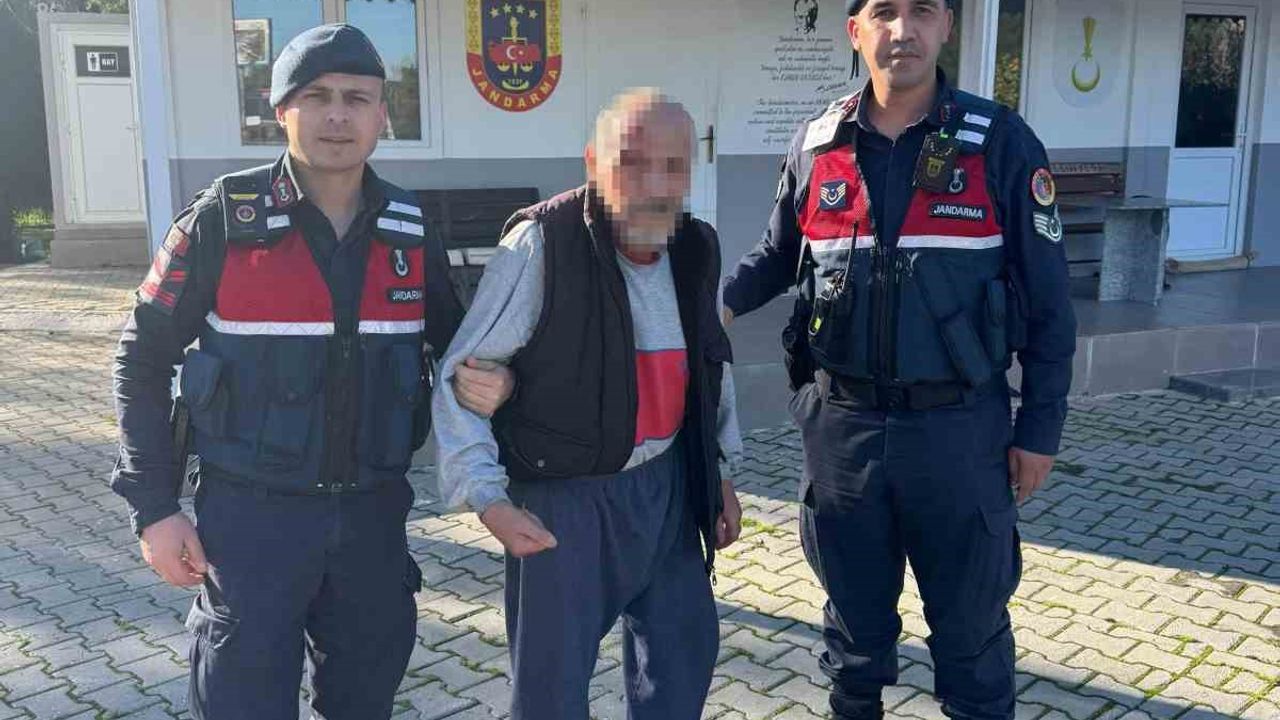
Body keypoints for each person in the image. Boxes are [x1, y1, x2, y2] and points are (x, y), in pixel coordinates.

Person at [111, 24, 512, 720]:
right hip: (250, 522)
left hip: (373, 520)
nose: (337, 116)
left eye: (357, 99)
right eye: (317, 97)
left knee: (364, 700)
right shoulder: (221, 220)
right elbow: (141, 360)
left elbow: (459, 352)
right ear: (280, 111)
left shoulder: (410, 228)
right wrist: (156, 509)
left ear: (382, 115)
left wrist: (497, 383)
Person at [720, 1, 1077, 718]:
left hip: (959, 432)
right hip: (842, 432)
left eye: (922, 11)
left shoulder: (1000, 142)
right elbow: (777, 254)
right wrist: (712, 310)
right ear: (856, 31)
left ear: (947, 27)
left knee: (972, 642)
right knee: (852, 643)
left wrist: (1039, 431)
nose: (902, 30)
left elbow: (1048, 302)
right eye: (883, 12)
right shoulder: (817, 142)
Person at [433, 88, 744, 720]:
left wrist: (721, 473)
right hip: (565, 499)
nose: (653, 184)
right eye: (631, 162)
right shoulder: (542, 244)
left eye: (672, 165)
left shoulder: (697, 247)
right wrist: (488, 499)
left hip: (668, 491)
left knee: (682, 661)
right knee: (550, 688)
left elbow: (711, 366)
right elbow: (461, 379)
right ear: (592, 163)